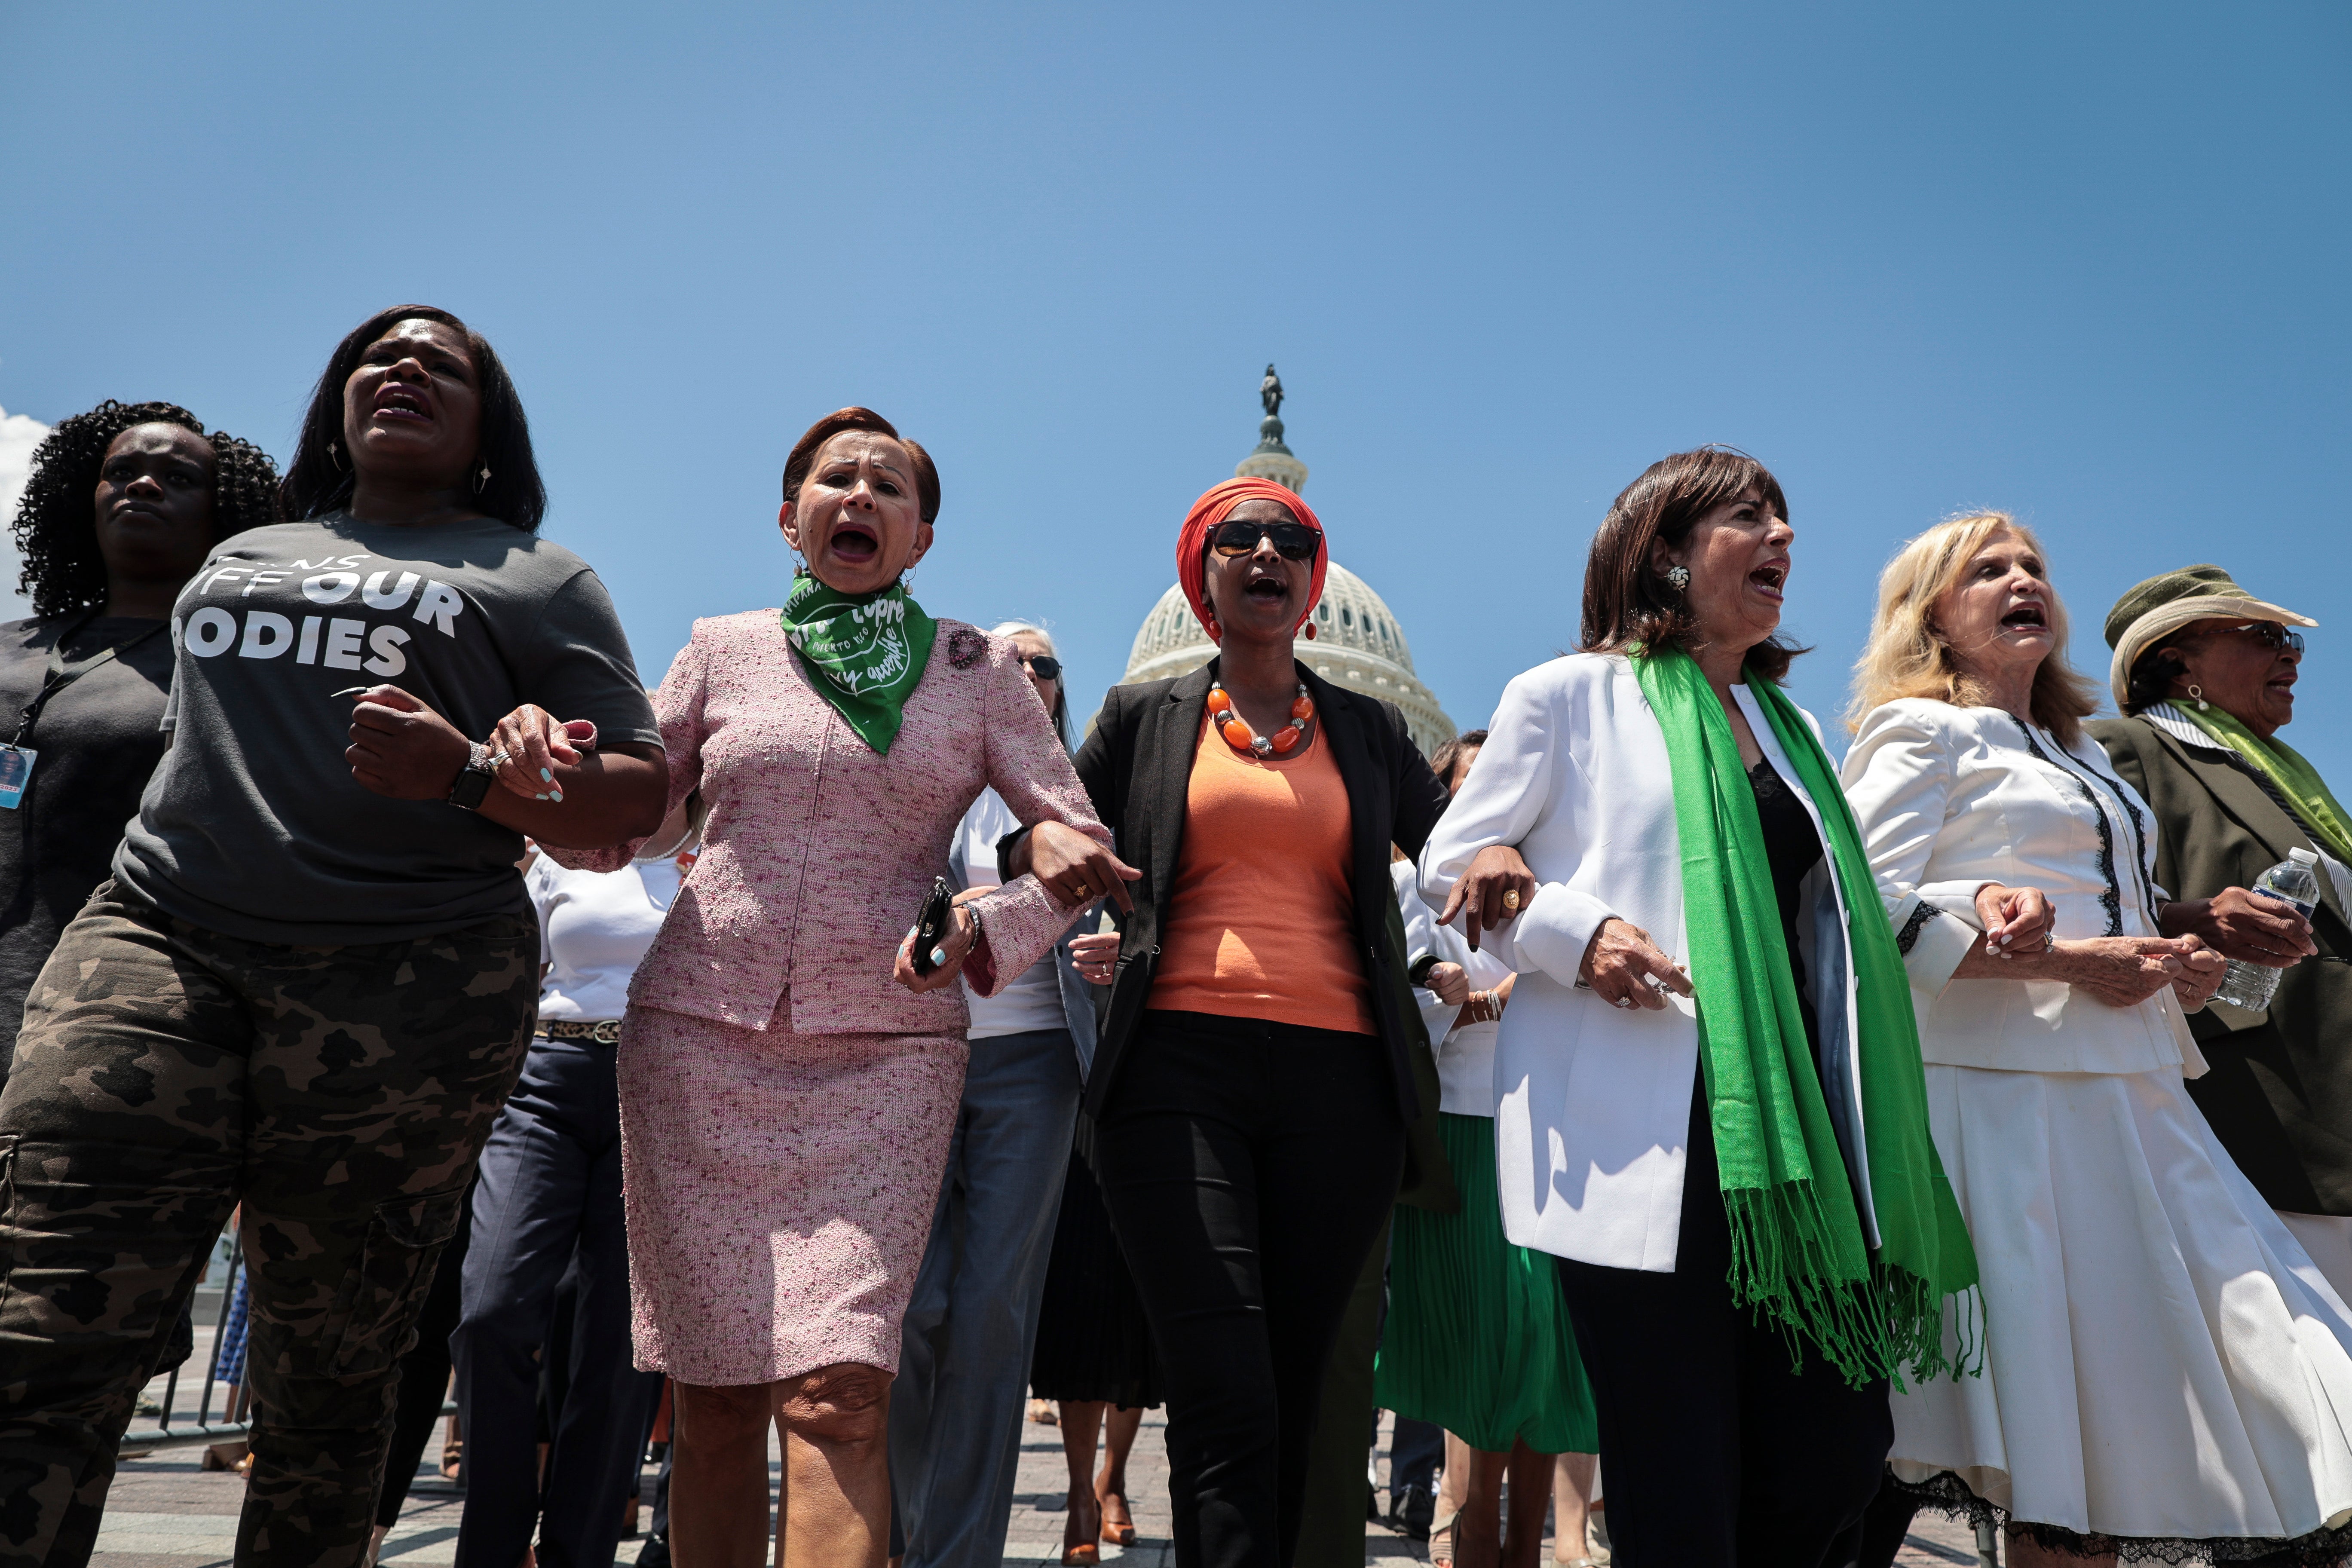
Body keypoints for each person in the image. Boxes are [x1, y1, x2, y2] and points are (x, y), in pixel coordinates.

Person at [0, 303, 668, 1568]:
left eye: (442, 363)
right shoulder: (245, 543)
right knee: (41, 1327)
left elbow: (637, 791)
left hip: (404, 987)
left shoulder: (536, 575)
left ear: (487, 426)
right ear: (335, 403)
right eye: (378, 354)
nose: (404, 367)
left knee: (332, 1379)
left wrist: (473, 774)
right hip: (162, 938)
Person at [532, 407, 1110, 1568]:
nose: (858, 497)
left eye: (886, 487)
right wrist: (550, 775)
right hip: (697, 1040)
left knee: (842, 1389)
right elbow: (630, 831)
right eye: (833, 481)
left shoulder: (979, 668)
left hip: (889, 1061)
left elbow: (1077, 851)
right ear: (791, 520)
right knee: (717, 1404)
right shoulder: (719, 648)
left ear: (922, 537)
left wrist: (979, 923)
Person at [1420, 447, 1982, 1568]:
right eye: (1749, 516)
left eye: (1787, 520)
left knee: (1833, 1451)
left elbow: (1853, 910)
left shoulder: (1796, 731)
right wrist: (1577, 938)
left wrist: (1985, 916)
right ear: (1665, 554)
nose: (1782, 536)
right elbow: (1452, 865)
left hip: (1804, 1139)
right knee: (1678, 1478)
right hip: (1646, 1133)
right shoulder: (1565, 695)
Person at [1841, 514, 2352, 1565]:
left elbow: (2118, 913)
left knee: (2207, 1393)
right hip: (2001, 1111)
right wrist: (2069, 964)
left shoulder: (2076, 748)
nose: (2023, 579)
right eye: (1987, 570)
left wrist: (2182, 950)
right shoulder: (1917, 732)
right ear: (1931, 614)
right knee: (2059, 1444)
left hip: (2139, 1096)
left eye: (2034, 566)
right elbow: (1858, 907)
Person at [1004, 474, 1455, 1568]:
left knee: (1303, 1393)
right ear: (1199, 576)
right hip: (1177, 1071)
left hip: (1342, 1080)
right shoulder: (1141, 719)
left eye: (1290, 539)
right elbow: (1042, 837)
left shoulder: (1369, 728)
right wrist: (1034, 855)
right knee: (1224, 1391)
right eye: (1238, 539)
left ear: (1313, 577)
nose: (1267, 553)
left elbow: (1459, 848)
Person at [889, 620, 1102, 1568]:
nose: (1022, 675)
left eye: (1041, 665)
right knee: (908, 1307)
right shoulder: (926, 773)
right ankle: (896, 1529)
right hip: (916, 1059)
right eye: (1003, 662)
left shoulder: (1084, 792)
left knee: (988, 1315)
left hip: (1036, 1067)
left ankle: (957, 1552)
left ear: (1061, 689)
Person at [0, 400, 278, 1089]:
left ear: (226, 517)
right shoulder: (10, 645)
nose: (144, 486)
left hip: (102, 1031)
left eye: (179, 478)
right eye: (121, 471)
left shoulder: (234, 670)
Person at [2089, 567, 2352, 1292]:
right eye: (2267, 636)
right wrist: (2194, 919)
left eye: (2293, 640)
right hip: (2266, 1117)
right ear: (2178, 660)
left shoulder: (2287, 776)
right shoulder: (2119, 747)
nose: (2293, 655)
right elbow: (2093, 901)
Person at [447, 810, 695, 1568]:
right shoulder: (569, 853)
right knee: (490, 1312)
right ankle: (493, 1542)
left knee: (618, 1348)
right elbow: (512, 965)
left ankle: (578, 1553)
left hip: (661, 1089)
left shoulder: (720, 860)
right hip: (544, 1082)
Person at [1379, 729, 1599, 1568]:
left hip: (1554, 1134)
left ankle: (1523, 1548)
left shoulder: (1558, 887)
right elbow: (1402, 1009)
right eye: (1472, 786)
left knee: (1547, 1353)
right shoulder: (1412, 882)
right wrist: (1472, 1002)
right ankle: (1475, 1539)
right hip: (1464, 1136)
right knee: (1482, 1361)